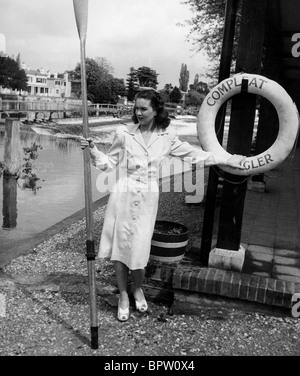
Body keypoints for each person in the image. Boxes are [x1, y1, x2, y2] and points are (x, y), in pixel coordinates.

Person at [80, 89, 246, 322]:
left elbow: (194, 156)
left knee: (139, 248)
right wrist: (93, 151)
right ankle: (124, 296)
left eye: (143, 109)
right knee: (120, 249)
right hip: (124, 194)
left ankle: (138, 288)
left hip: (148, 196)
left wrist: (227, 159)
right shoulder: (124, 133)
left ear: (156, 110)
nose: (138, 113)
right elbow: (108, 164)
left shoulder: (166, 136)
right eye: (136, 108)